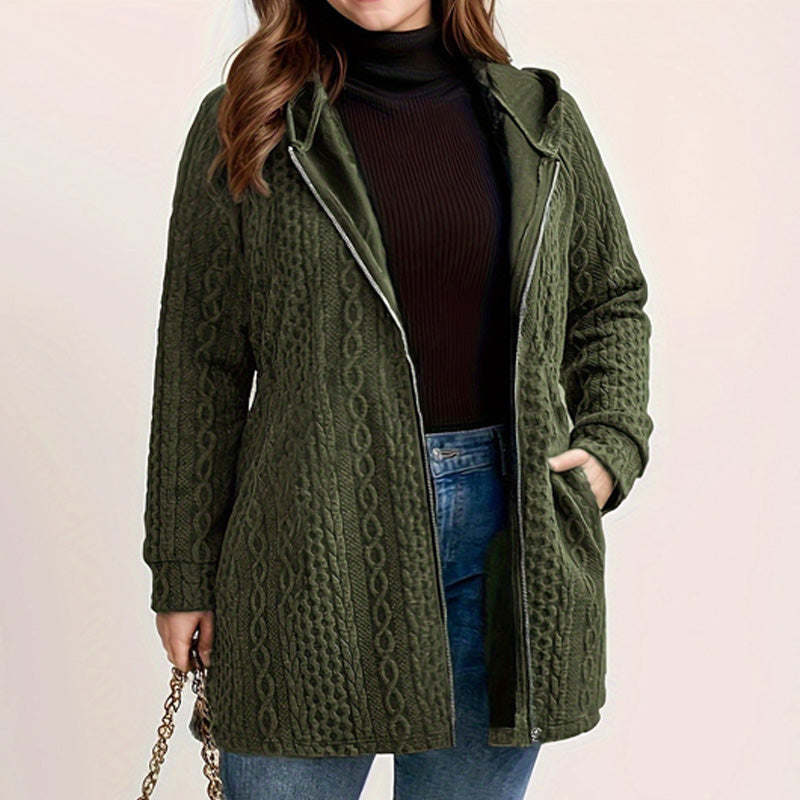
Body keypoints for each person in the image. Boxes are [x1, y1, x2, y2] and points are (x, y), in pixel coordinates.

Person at [142, 0, 654, 798]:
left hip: (510, 536)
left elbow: (608, 299)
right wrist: (182, 572)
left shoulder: (539, 119)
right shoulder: (248, 122)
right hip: (307, 537)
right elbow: (199, 362)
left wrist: (611, 446)